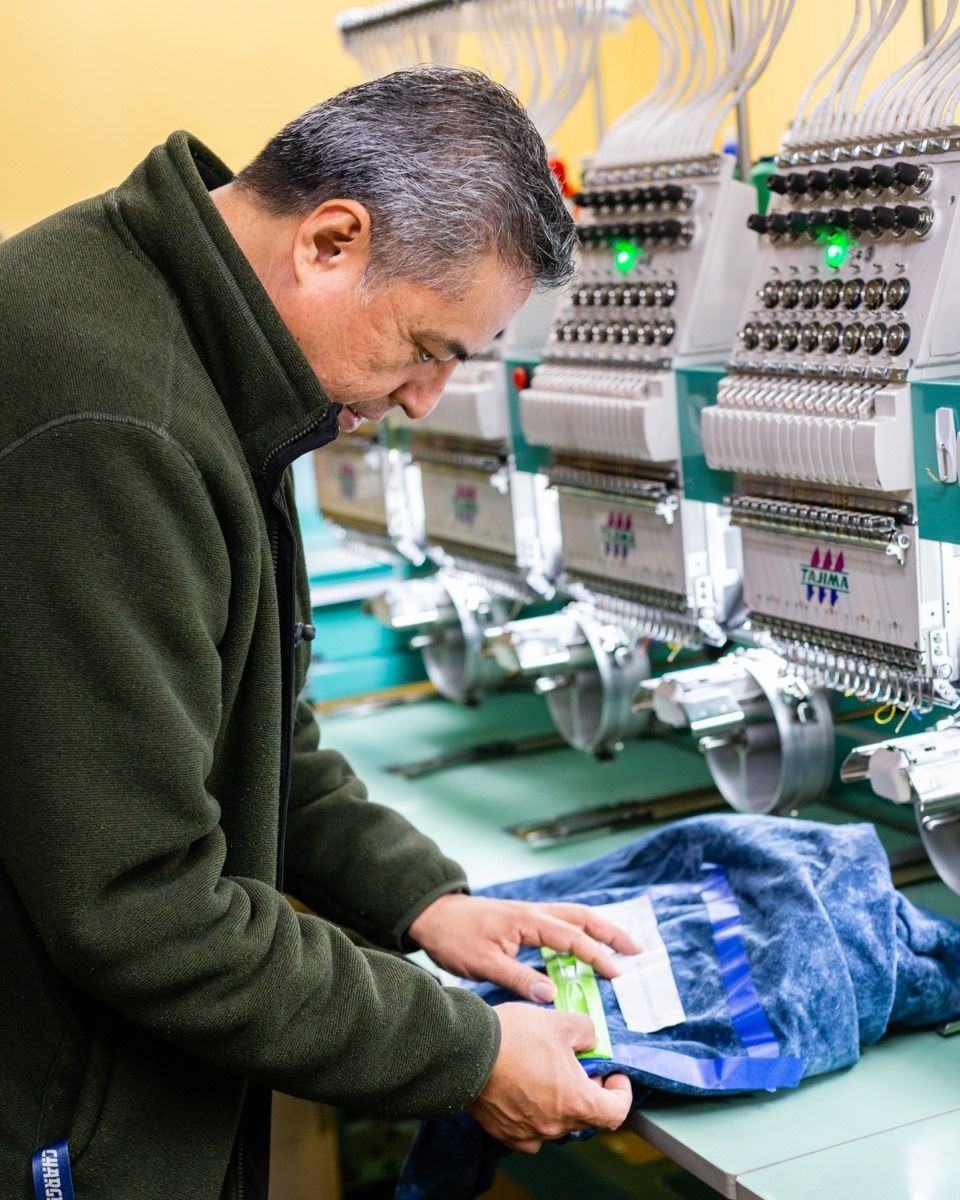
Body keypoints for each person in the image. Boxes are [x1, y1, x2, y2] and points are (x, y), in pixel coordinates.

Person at [0, 66, 638, 1200]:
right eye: (430, 346)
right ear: (332, 241)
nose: (426, 400)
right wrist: (467, 1052)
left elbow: (250, 742)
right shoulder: (118, 420)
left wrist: (425, 902)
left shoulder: (203, 345)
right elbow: (144, 907)